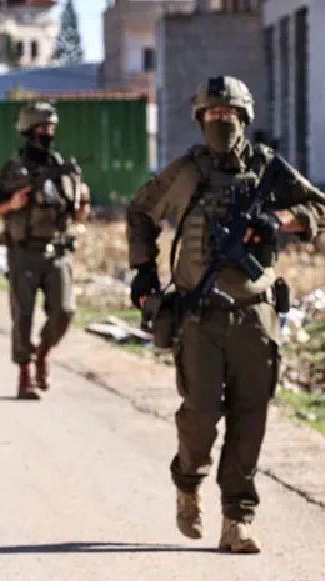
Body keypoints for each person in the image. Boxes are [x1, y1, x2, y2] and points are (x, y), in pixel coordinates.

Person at [127, 75, 325, 553]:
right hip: (200, 315)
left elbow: (319, 208)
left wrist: (278, 221)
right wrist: (144, 273)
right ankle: (187, 479)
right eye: (213, 114)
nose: (221, 121)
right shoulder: (186, 172)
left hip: (256, 315)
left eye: (229, 113)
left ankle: (237, 518)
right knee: (200, 416)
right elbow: (140, 211)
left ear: (244, 117)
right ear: (201, 119)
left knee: (250, 418)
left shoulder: (268, 169)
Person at [0, 101, 90, 400]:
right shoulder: (12, 171)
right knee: (23, 315)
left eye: (51, 128)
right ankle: (25, 373)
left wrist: (83, 201)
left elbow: (78, 216)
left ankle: (42, 352)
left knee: (64, 311)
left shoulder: (64, 170)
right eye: (42, 127)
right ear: (28, 131)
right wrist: (11, 204)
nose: (47, 133)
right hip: (23, 252)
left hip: (57, 252)